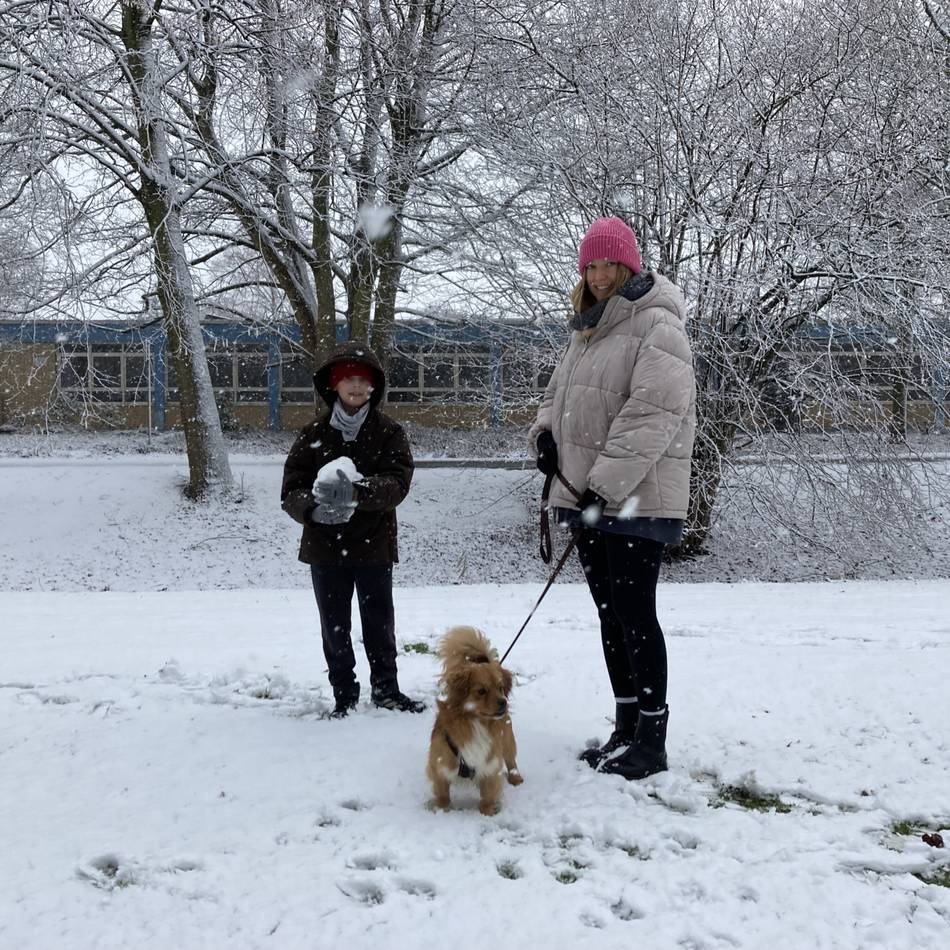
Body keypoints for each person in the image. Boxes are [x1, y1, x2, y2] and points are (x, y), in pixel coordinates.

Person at [529, 216, 696, 779]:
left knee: (634, 613)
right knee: (609, 613)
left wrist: (605, 487)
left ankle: (652, 738)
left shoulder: (658, 325)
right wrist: (545, 439)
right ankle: (625, 728)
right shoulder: (587, 330)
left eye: (608, 264)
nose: (599, 275)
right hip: (587, 496)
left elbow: (653, 413)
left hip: (635, 500)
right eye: (590, 265)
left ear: (629, 264)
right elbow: (556, 398)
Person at [281, 341, 425, 719]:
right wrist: (312, 511)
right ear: (334, 385)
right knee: (334, 626)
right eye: (348, 379)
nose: (356, 387)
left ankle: (386, 690)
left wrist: (357, 493)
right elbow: (291, 488)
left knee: (379, 623)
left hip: (373, 544)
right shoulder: (313, 432)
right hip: (324, 548)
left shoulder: (390, 432)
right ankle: (343, 693)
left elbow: (398, 483)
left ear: (374, 386)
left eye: (362, 379)